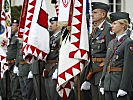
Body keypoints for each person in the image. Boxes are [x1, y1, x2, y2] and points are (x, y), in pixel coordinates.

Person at [81, 2, 115, 100]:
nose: (92, 14)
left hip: (101, 70)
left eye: (95, 12)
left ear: (103, 14)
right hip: (92, 70)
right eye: (92, 12)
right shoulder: (95, 30)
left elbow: (111, 52)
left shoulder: (108, 29)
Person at [99, 12, 133, 100]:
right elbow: (106, 63)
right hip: (108, 83)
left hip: (119, 84)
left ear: (123, 25)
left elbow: (128, 67)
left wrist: (124, 87)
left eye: (114, 23)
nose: (112, 26)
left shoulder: (128, 42)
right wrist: (102, 82)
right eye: (111, 23)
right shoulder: (112, 42)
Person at [44, 17, 62, 100]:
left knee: (54, 94)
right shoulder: (51, 37)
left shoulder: (61, 37)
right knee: (49, 94)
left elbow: (61, 53)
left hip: (55, 66)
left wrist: (58, 68)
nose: (50, 25)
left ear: (58, 24)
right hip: (48, 67)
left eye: (52, 23)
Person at [6, 19, 22, 100]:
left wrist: (16, 64)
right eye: (11, 25)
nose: (12, 27)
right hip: (8, 64)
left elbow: (18, 52)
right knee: (8, 86)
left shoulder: (18, 37)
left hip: (14, 63)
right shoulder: (10, 37)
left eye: (14, 25)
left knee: (15, 86)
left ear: (18, 27)